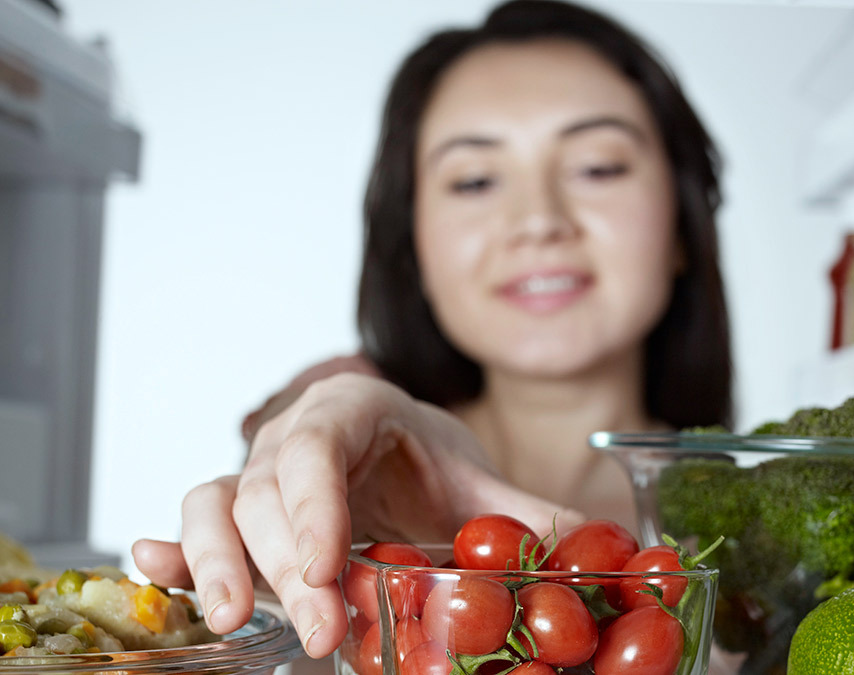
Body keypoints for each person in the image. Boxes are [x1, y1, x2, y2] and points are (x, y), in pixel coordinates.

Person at [131, 0, 732, 659]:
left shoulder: (768, 520)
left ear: (683, 222)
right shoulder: (369, 466)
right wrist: (306, 516)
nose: (537, 219)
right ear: (413, 244)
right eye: (474, 180)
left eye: (598, 167)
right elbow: (306, 422)